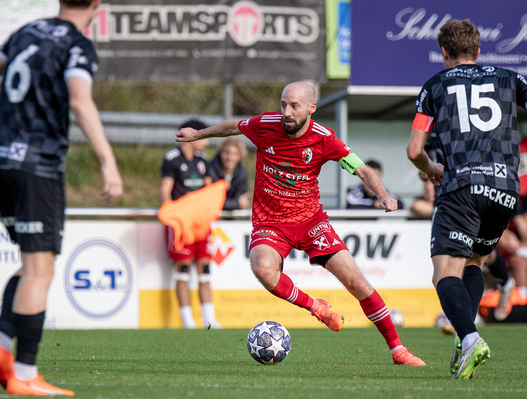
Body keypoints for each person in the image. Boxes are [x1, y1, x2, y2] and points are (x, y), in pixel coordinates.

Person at [176, 81, 425, 366]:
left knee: (356, 281)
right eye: (283, 104)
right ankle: (315, 307)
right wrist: (199, 134)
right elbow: (233, 126)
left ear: (311, 108)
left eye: (294, 106)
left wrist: (383, 194)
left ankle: (398, 350)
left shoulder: (324, 138)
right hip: (270, 222)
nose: (287, 112)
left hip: (310, 222)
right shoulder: (266, 125)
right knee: (263, 269)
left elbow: (361, 168)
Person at [0, 0, 123, 396]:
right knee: (40, 270)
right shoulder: (77, 44)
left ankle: (1, 343)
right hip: (37, 167)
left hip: (0, 160)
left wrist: (5, 123)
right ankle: (23, 373)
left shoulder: (27, 31)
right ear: (95, 5)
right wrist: (108, 161)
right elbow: (79, 99)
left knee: (30, 265)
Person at [406, 19, 527, 379]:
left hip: (462, 184)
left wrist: (431, 169)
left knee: (444, 271)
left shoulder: (435, 85)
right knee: (474, 260)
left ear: (444, 52)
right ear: (478, 51)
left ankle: (471, 337)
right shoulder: (510, 78)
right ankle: (464, 335)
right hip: (505, 187)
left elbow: (414, 150)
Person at [160, 119, 221, 329]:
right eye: (202, 137)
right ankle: (187, 320)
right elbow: (165, 191)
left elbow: (208, 190)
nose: (205, 142)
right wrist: (172, 217)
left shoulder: (203, 160)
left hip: (201, 225)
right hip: (181, 226)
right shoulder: (172, 159)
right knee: (182, 269)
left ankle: (209, 319)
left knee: (204, 268)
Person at [208, 137, 250, 211]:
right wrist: (237, 203)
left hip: (230, 219)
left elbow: (243, 200)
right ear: (220, 153)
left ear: (240, 156)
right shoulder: (209, 170)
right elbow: (210, 201)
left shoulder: (242, 173)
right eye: (227, 153)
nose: (230, 158)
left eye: (235, 154)